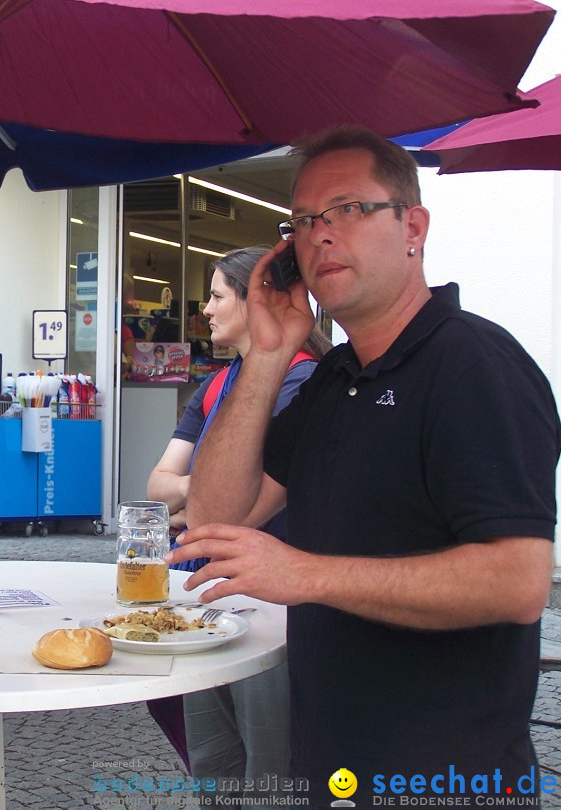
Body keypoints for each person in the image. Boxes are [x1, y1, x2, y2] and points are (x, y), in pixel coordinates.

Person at [173, 126, 560, 805]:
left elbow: (518, 580)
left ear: (414, 225)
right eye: (303, 220)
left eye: (349, 209)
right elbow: (214, 517)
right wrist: (266, 354)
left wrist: (304, 573)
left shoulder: (473, 366)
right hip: (335, 767)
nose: (319, 235)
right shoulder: (336, 378)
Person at [146, 247, 330, 805]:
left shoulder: (303, 384)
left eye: (218, 295)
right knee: (214, 762)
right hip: (206, 593)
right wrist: (199, 491)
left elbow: (230, 504)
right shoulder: (217, 384)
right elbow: (159, 484)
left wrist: (196, 495)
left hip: (266, 603)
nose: (205, 308)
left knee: (266, 765)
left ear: (257, 302)